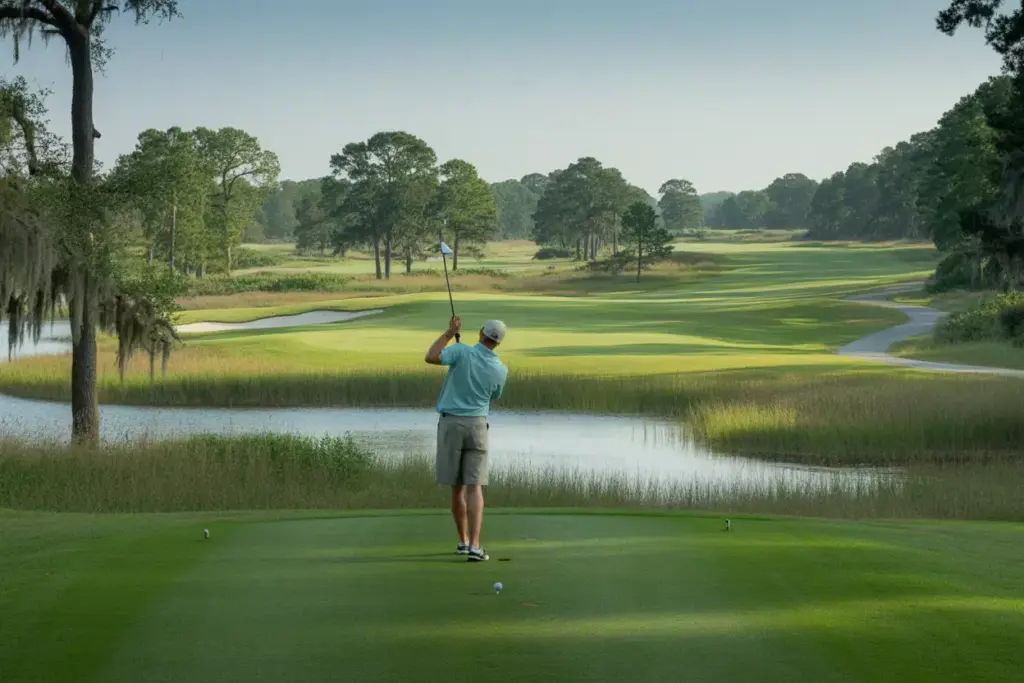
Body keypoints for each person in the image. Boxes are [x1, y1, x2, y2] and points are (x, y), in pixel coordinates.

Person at [424, 316, 508, 562]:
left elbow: (431, 356)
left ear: (481, 332)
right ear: (498, 342)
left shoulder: (460, 352)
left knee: (457, 486)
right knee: (475, 486)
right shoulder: (501, 369)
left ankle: (463, 541)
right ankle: (474, 546)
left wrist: (450, 332)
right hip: (478, 426)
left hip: (451, 424)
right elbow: (494, 396)